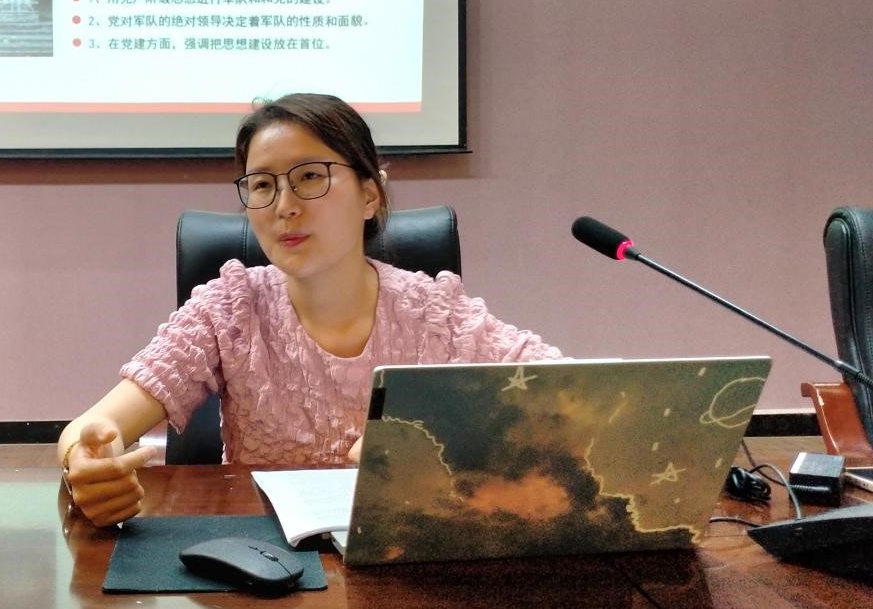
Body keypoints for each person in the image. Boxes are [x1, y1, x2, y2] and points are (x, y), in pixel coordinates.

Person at [57, 93, 561, 526]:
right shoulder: (230, 309)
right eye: (262, 185)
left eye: (310, 176)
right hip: (266, 565)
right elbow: (93, 427)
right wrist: (87, 459)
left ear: (369, 195)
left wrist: (443, 441)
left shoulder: (436, 314)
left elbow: (568, 392)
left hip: (403, 556)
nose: (285, 205)